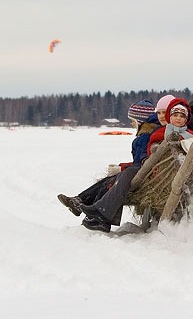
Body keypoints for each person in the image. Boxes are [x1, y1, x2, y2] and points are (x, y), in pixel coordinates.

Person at [57, 97, 171, 233]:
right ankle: (84, 205)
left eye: (133, 121)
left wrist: (123, 167)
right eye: (159, 112)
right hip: (144, 171)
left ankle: (96, 213)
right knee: (111, 179)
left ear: (140, 121)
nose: (131, 123)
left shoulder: (145, 136)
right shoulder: (152, 132)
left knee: (114, 180)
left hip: (147, 175)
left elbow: (142, 162)